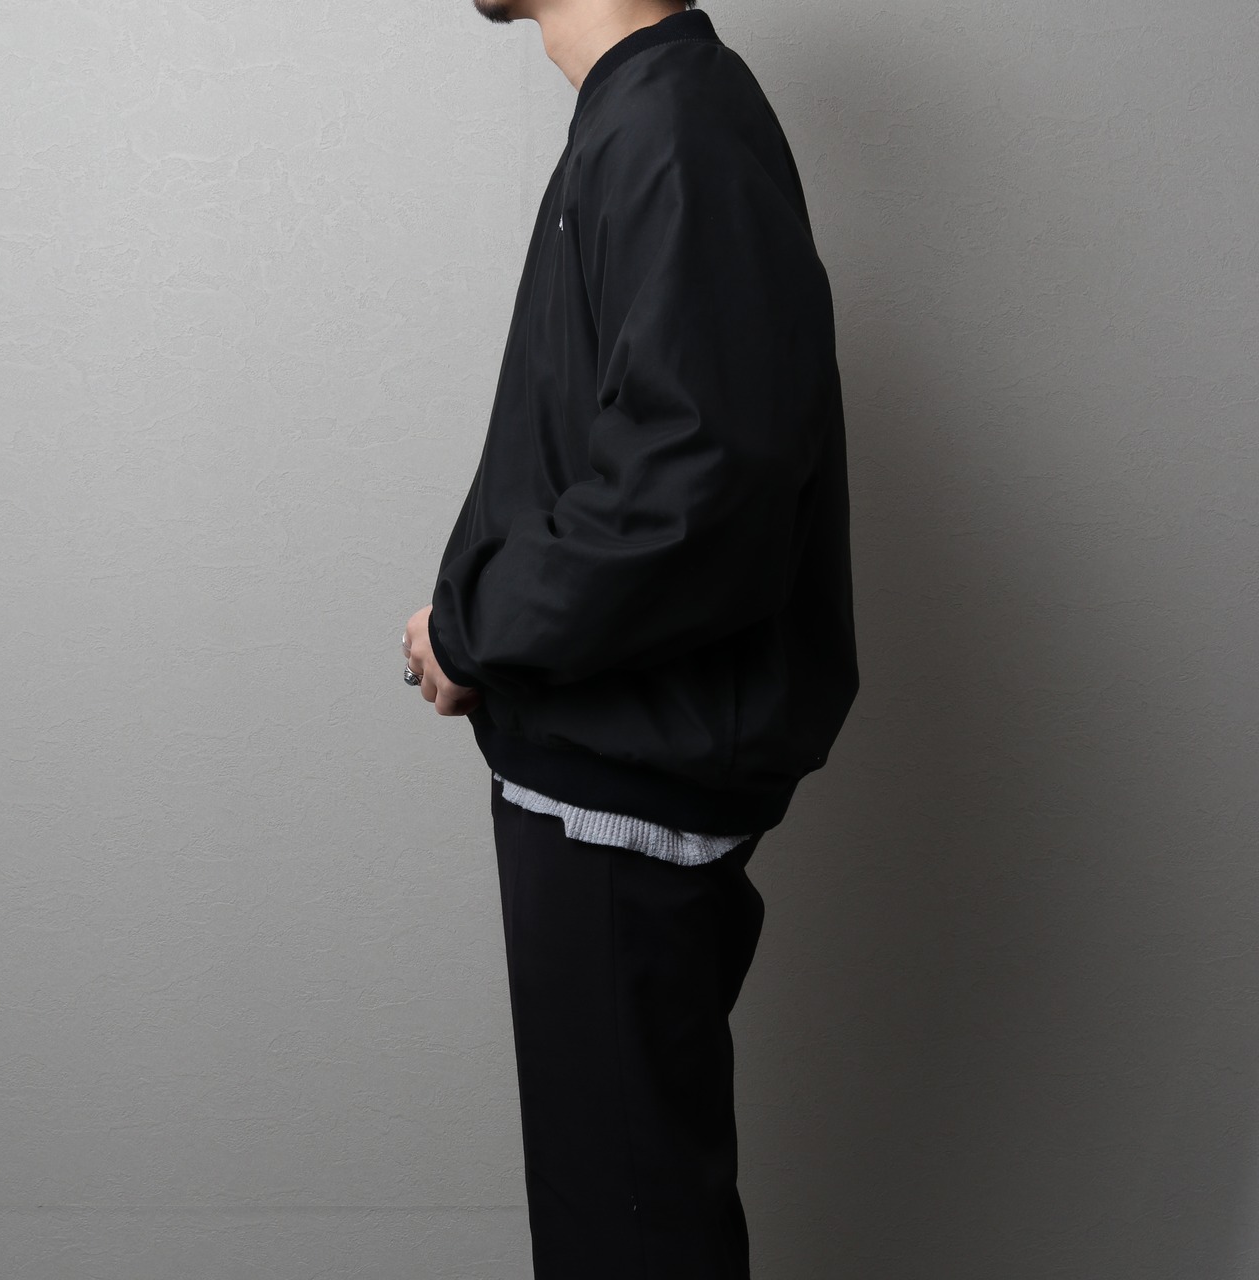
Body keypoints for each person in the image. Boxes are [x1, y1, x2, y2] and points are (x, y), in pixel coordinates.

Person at [401, 2, 858, 1274]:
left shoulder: (674, 125)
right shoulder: (644, 114)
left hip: (620, 782)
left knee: (627, 1234)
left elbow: (695, 486)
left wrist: (473, 628)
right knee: (618, 1214)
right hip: (598, 764)